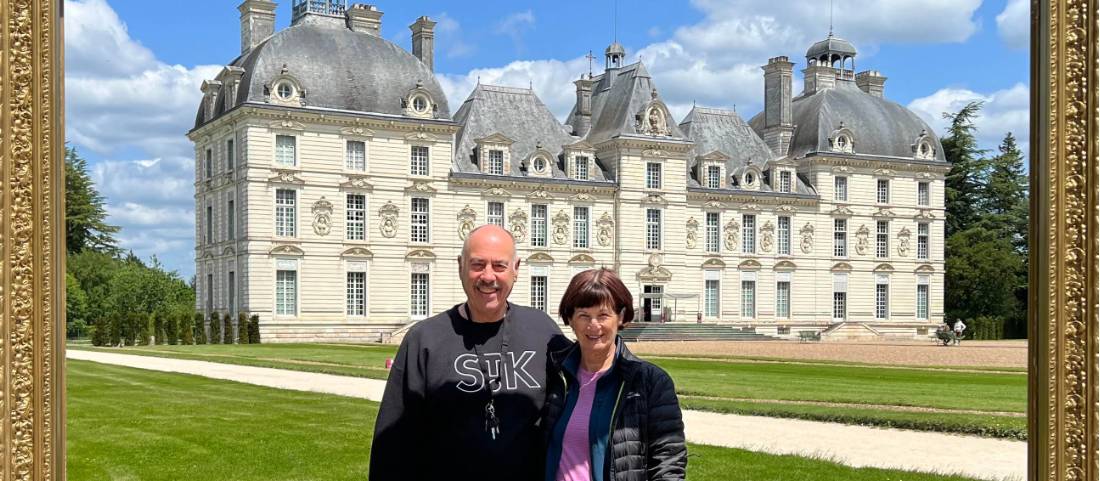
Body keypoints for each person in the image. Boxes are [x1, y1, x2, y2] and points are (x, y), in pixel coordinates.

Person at [369, 225, 567, 481]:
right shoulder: (425, 339)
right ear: (460, 265)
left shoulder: (542, 330)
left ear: (516, 269)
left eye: (499, 266)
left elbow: (588, 393)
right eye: (477, 264)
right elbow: (393, 441)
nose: (488, 276)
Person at [543, 268, 687, 481]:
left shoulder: (650, 382)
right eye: (584, 315)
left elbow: (668, 462)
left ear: (620, 317)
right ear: (570, 319)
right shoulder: (556, 375)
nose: (594, 326)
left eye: (603, 315)